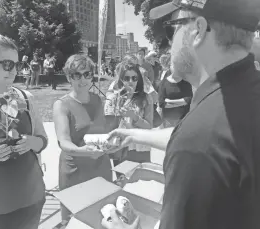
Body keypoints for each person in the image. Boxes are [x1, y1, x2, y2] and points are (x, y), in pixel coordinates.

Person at [103, 0, 260, 228]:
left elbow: (198, 140)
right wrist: (133, 134)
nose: (169, 43)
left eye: (172, 28)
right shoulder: (245, 94)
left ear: (198, 30)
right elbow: (209, 138)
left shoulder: (199, 139)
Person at [0, 33, 48, 229]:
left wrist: (32, 142)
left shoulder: (25, 97)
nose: (13, 71)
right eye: (7, 64)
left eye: (17, 65)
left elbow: (42, 140)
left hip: (30, 203)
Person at [53, 54, 113, 221]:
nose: (83, 79)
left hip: (101, 167)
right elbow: (63, 142)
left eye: (87, 74)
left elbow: (103, 131)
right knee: (75, 220)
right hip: (75, 172)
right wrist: (83, 151)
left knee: (102, 217)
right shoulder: (61, 105)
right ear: (68, 77)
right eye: (76, 75)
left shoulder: (98, 100)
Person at [104, 61, 153, 164]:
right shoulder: (114, 98)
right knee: (122, 179)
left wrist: (134, 117)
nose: (130, 81)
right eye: (127, 78)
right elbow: (108, 126)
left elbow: (149, 126)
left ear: (138, 80)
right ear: (121, 79)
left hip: (139, 148)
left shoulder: (146, 98)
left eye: (134, 78)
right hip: (121, 147)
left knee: (140, 178)